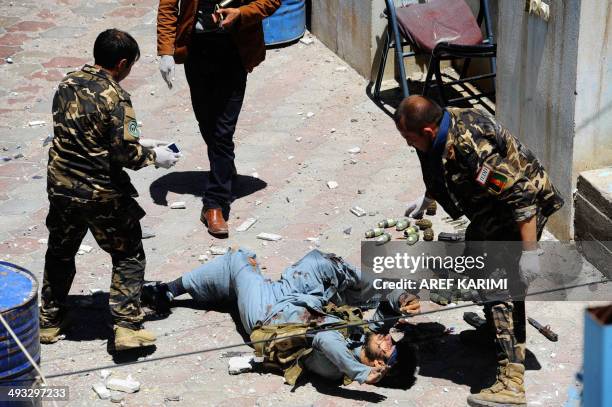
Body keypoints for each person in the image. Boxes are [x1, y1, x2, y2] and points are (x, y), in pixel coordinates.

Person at [396, 95, 564, 407]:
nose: (408, 144)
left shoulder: (470, 148)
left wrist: (529, 252)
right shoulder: (441, 127)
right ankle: (493, 333)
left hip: (522, 211)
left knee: (499, 284)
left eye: (409, 138)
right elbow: (436, 164)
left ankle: (511, 381)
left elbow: (522, 195)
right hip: (493, 210)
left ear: (429, 132)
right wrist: (430, 197)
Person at [40, 29, 181, 351]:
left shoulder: (68, 83)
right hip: (100, 193)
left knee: (60, 252)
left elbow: (77, 132)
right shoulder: (116, 96)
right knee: (128, 253)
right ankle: (127, 327)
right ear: (121, 63)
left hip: (61, 186)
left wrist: (139, 140)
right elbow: (123, 154)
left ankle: (49, 320)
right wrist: (154, 157)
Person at [142, 248, 421, 385]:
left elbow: (324, 337)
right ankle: (230, 291)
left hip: (269, 313)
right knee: (322, 263)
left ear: (377, 365)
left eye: (388, 348)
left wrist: (360, 374)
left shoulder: (338, 366)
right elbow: (382, 318)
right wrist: (400, 300)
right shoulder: (366, 342)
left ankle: (168, 291)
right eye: (392, 341)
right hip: (302, 298)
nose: (388, 339)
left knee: (239, 260)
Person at [157, 0, 281, 237]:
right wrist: (165, 51)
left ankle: (215, 203)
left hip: (234, 51)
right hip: (197, 51)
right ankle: (223, 169)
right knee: (207, 123)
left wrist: (242, 13)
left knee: (223, 132)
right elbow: (168, 7)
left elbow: (272, 1)